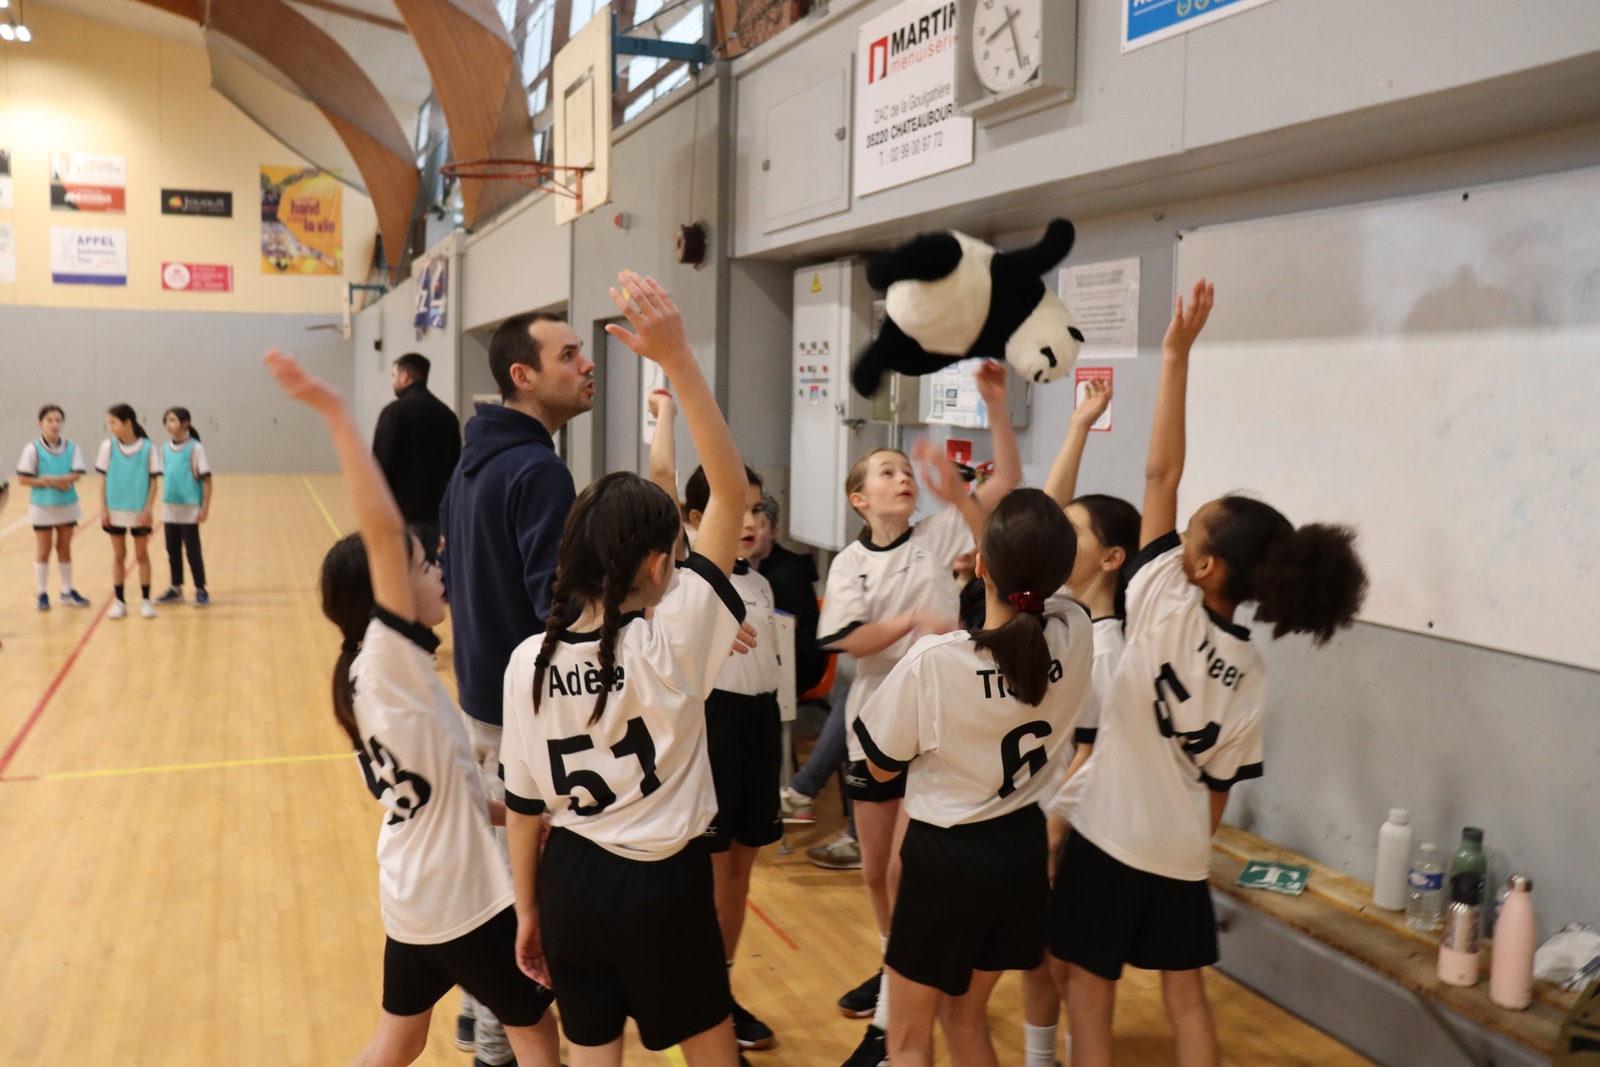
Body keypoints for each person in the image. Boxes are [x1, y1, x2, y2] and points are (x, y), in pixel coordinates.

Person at [1048, 282, 1369, 1067]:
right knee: (1186, 997)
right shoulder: (1252, 669)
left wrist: (1175, 356)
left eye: (1192, 528)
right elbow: (1221, 789)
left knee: (1088, 992)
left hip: (1109, 835)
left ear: (1202, 564)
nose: (1178, 523)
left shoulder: (1160, 595)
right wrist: (1188, 846)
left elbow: (1160, 472)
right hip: (1181, 852)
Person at [260, 348, 560, 1067]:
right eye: (427, 566)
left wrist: (517, 816)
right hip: (461, 899)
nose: (438, 572)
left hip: (411, 890)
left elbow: (445, 788)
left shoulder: (365, 679)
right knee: (537, 1037)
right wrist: (336, 412)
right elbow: (383, 532)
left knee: (402, 1038)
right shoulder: (389, 661)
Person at [500, 272, 746, 1067]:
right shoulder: (674, 639)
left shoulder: (527, 660)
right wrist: (678, 360)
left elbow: (523, 809)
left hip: (570, 880)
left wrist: (527, 911)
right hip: (663, 886)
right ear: (656, 564)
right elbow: (730, 494)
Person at [817, 360, 1021, 1067]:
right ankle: (891, 971)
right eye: (886, 472)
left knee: (909, 869)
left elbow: (1004, 488)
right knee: (876, 871)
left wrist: (996, 405)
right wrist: (911, 622)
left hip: (935, 732)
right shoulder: (849, 563)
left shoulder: (938, 536)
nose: (902, 478)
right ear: (859, 498)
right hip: (874, 724)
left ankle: (891, 1016)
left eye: (907, 470)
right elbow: (846, 642)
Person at [856, 488, 1093, 1067]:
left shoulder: (935, 661)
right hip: (1020, 851)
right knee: (964, 1019)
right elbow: (1045, 578)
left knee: (908, 1039)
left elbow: (879, 765)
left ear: (980, 564)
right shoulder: (1078, 630)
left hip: (946, 859)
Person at [439, 312, 593, 1064]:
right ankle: (495, 1050)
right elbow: (557, 610)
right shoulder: (538, 471)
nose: (586, 364)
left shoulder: (472, 463)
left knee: (496, 884)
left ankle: (477, 1020)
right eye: (569, 354)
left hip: (479, 704)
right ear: (522, 376)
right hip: (521, 723)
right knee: (522, 904)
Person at [1009, 379, 1139, 1067]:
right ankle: (1040, 1057)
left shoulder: (1110, 649)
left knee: (1066, 967)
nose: (1061, 539)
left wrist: (1053, 834)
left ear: (1112, 558)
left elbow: (1093, 755)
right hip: (1033, 811)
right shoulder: (1060, 610)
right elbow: (1045, 517)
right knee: (1035, 956)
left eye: (1078, 536)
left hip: (1072, 827)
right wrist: (1079, 426)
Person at [681, 464, 783, 1052]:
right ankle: (703, 1002)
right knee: (715, 873)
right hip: (715, 725)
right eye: (737, 507)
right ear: (698, 519)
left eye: (757, 508)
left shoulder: (761, 585)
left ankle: (721, 989)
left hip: (761, 726)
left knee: (741, 872)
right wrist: (670, 419)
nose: (751, 519)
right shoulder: (692, 580)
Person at [372, 352, 461, 556]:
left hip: (399, 515)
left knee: (399, 571)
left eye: (394, 375)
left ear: (405, 377)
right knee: (425, 568)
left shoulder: (394, 412)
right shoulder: (447, 416)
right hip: (433, 517)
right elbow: (454, 468)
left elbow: (379, 466)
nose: (393, 380)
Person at [16, 405, 92, 611]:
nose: (54, 424)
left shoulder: (72, 447)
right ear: (40, 423)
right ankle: (42, 593)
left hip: (67, 505)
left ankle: (67, 591)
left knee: (64, 548)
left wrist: (54, 480)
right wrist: (52, 482)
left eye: (58, 420)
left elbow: (76, 475)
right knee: (43, 550)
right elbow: (23, 478)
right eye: (49, 420)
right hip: (42, 507)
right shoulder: (33, 449)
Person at [97, 404, 163, 620]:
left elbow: (154, 482)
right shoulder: (108, 447)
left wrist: (148, 510)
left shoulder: (148, 448)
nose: (111, 427)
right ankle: (120, 602)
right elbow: (102, 479)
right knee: (119, 555)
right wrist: (103, 508)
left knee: (141, 555)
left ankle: (146, 600)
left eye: (113, 423)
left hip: (139, 511)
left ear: (128, 422)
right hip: (114, 510)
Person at [154, 407, 215, 607]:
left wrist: (204, 507)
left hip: (190, 509)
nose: (168, 424)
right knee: (172, 550)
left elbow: (207, 480)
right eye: (166, 421)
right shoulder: (164, 448)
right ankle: (176, 588)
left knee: (192, 551)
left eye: (172, 420)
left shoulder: (196, 448)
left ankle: (201, 589)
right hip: (170, 508)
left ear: (185, 423)